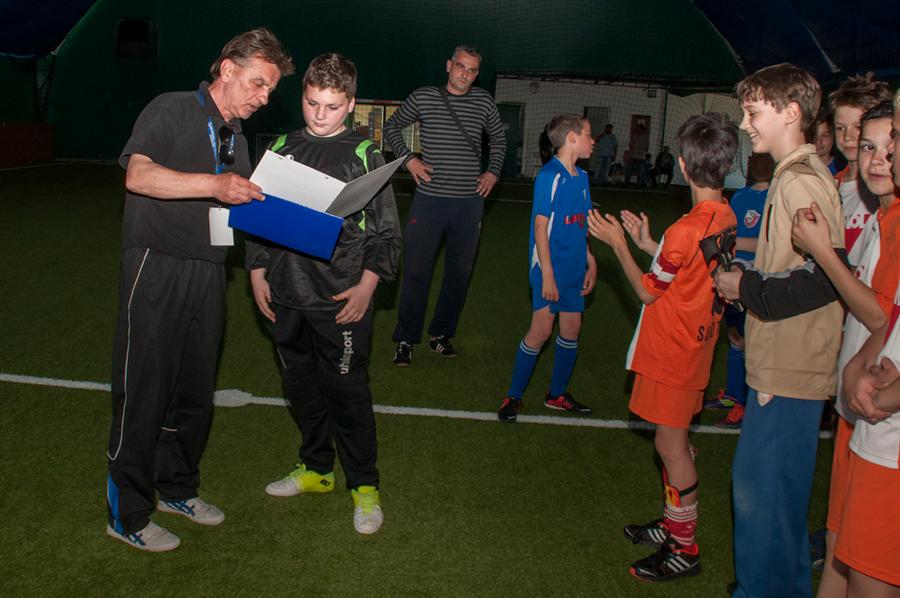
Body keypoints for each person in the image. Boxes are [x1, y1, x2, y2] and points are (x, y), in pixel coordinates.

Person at [106, 28, 294, 552]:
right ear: (227, 69)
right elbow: (139, 177)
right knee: (144, 390)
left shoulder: (238, 137)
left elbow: (235, 208)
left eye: (270, 89)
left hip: (210, 272)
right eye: (258, 83)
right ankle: (127, 513)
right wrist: (214, 185)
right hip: (156, 264)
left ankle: (177, 489)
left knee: (193, 392)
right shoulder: (170, 108)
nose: (264, 97)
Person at [246, 53, 401, 535]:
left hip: (340, 300)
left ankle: (364, 485)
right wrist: (257, 271)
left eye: (332, 107)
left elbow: (387, 235)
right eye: (312, 103)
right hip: (286, 295)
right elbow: (259, 215)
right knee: (302, 390)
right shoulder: (280, 147)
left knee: (347, 395)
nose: (319, 115)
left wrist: (367, 287)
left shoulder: (366, 155)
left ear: (351, 104)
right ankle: (316, 469)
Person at [713, 63, 845, 597]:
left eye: (753, 112)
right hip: (788, 364)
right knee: (778, 505)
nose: (746, 124)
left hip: (789, 370)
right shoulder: (795, 175)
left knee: (764, 504)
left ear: (791, 113)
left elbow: (824, 279)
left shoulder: (799, 180)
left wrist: (743, 287)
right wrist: (751, 277)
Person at [589, 112, 739, 582]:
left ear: (682, 165)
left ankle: (684, 546)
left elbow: (649, 292)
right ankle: (674, 523)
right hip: (698, 344)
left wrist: (618, 244)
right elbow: (688, 268)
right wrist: (648, 242)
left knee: (670, 446)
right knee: (674, 442)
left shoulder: (685, 228)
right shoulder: (725, 214)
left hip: (674, 350)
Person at [791, 100, 899, 598]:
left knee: (869, 570)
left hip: (881, 421)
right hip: (858, 411)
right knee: (841, 544)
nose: (876, 159)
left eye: (888, 147)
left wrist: (821, 251)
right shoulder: (881, 216)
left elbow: (879, 315)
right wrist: (852, 365)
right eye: (867, 146)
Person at [386, 45, 506, 365]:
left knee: (458, 274)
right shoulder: (424, 96)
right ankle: (406, 340)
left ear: (477, 74)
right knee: (416, 272)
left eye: (472, 70)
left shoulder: (483, 101)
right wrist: (409, 160)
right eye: (461, 66)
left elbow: (499, 139)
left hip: (469, 204)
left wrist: (493, 172)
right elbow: (391, 127)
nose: (465, 74)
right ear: (449, 65)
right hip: (429, 201)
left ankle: (441, 334)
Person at [496, 114, 597, 423]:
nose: (593, 141)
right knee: (540, 332)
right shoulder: (550, 176)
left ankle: (556, 394)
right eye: (588, 134)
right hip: (549, 269)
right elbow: (541, 228)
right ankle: (513, 395)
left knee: (571, 329)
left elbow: (582, 224)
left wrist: (590, 260)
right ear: (571, 137)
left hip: (574, 269)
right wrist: (548, 276)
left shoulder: (582, 177)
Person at [703, 153, 775, 429]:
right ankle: (733, 395)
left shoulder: (776, 197)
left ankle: (746, 404)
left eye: (763, 160)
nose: (758, 164)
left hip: (756, 278)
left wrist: (731, 242)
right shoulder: (740, 197)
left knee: (751, 340)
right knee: (734, 335)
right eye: (755, 160)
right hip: (732, 274)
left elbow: (770, 243)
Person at [840, 285, 900, 597]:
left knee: (870, 582)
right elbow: (892, 322)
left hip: (891, 448)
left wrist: (879, 398)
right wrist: (856, 365)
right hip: (881, 439)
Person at [829, 73, 893, 266]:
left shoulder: (886, 185)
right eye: (840, 128)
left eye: (857, 127)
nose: (848, 137)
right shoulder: (831, 185)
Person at [812, 109, 845, 176]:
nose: (818, 141)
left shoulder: (841, 168)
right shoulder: (800, 167)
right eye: (813, 135)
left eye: (825, 135)